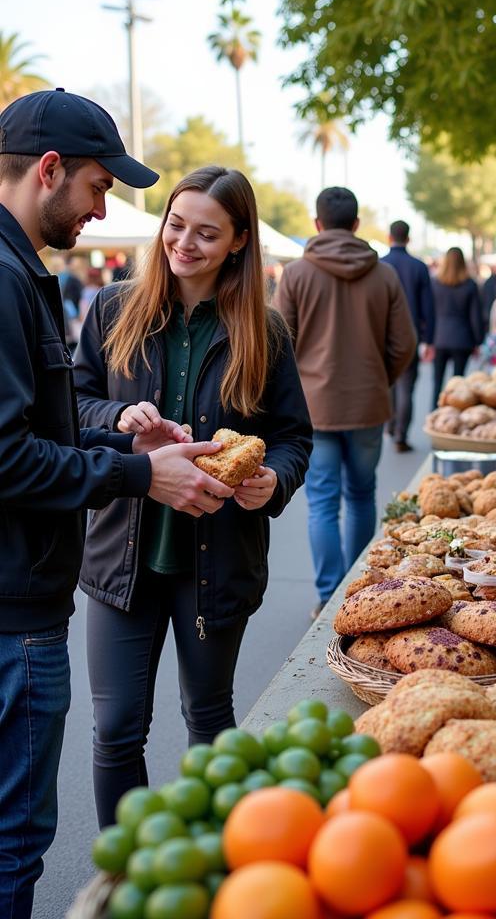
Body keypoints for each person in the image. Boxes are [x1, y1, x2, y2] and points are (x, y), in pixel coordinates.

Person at [0, 89, 233, 918]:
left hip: (55, 589)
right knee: (15, 843)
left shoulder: (24, 274)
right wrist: (142, 473)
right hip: (27, 602)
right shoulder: (19, 280)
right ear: (51, 171)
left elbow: (41, 426)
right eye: (99, 187)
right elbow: (9, 453)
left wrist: (120, 446)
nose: (104, 209)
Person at [74, 166, 313, 826]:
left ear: (239, 240)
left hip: (218, 557)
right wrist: (117, 424)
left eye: (207, 233)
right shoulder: (112, 308)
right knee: (117, 727)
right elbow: (72, 404)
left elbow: (292, 436)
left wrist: (272, 482)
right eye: (177, 225)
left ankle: (215, 866)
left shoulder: (264, 330)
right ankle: (124, 876)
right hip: (121, 555)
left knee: (209, 719)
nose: (185, 243)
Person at [274, 187, 416, 612]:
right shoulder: (384, 274)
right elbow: (404, 343)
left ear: (317, 224)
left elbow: (279, 343)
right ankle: (364, 592)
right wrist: (379, 379)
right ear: (356, 225)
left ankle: (328, 597)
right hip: (369, 404)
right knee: (361, 495)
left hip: (315, 408)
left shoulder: (297, 274)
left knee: (321, 501)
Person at [381, 219, 435, 453]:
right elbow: (428, 307)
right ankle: (400, 434)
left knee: (388, 385)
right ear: (409, 238)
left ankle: (390, 425)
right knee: (406, 388)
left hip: (381, 337)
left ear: (389, 237)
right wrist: (429, 339)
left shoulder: (379, 265)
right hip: (409, 335)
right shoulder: (419, 267)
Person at [432, 246, 484, 405]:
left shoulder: (435, 283)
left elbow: (430, 313)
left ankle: (435, 415)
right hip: (463, 338)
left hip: (439, 337)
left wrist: (427, 339)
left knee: (437, 383)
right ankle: (452, 415)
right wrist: (478, 341)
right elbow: (475, 316)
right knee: (458, 384)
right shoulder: (469, 285)